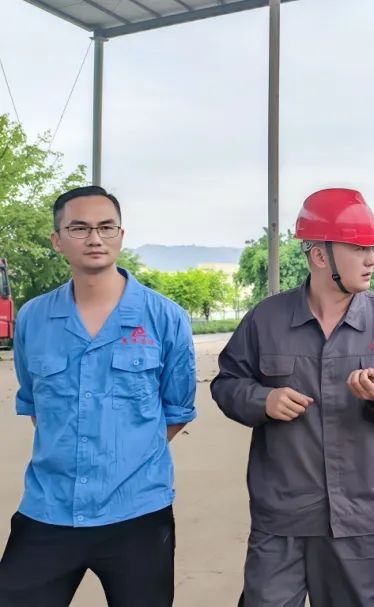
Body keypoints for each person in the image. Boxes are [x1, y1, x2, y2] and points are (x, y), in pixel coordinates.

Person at [212, 188, 374, 607]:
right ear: (319, 256)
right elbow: (226, 384)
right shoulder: (267, 319)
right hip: (283, 514)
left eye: (372, 249)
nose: (371, 259)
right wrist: (263, 401)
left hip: (360, 515)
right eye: (359, 248)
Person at [0, 185, 196, 607]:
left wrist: (124, 455)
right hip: (49, 509)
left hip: (138, 512)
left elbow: (177, 409)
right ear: (57, 240)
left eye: (106, 227)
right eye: (79, 228)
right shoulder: (34, 318)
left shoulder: (165, 318)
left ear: (121, 235)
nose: (95, 238)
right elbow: (36, 405)